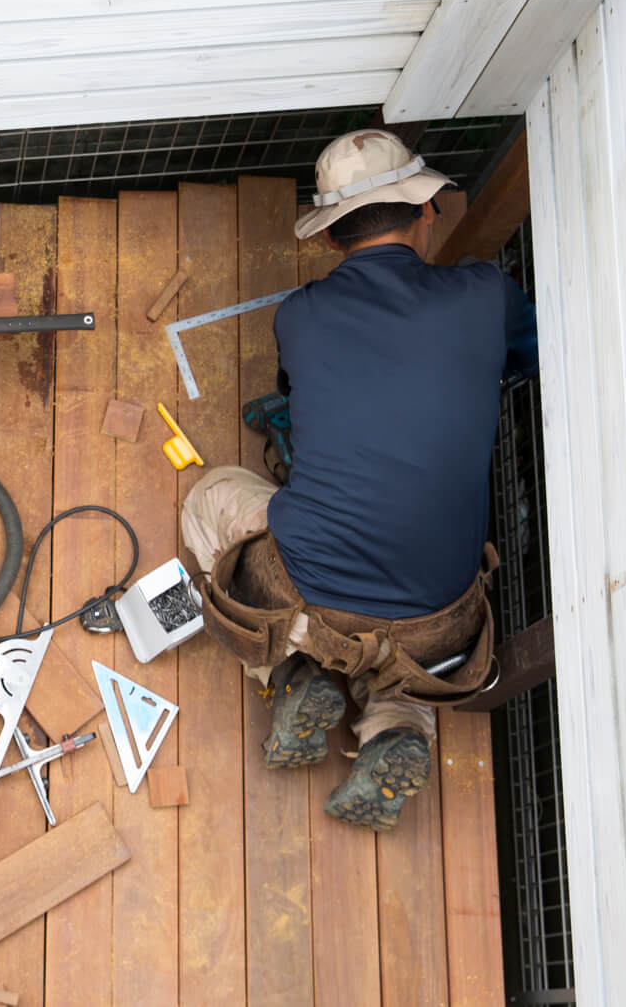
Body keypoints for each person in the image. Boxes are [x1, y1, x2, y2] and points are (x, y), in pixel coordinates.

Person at [180, 129, 538, 831]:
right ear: (425, 211)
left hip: (313, 595)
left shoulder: (301, 315)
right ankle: (394, 723)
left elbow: (298, 387)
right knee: (408, 643)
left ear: (332, 238)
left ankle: (292, 670)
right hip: (446, 620)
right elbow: (526, 358)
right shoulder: (487, 294)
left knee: (209, 497)